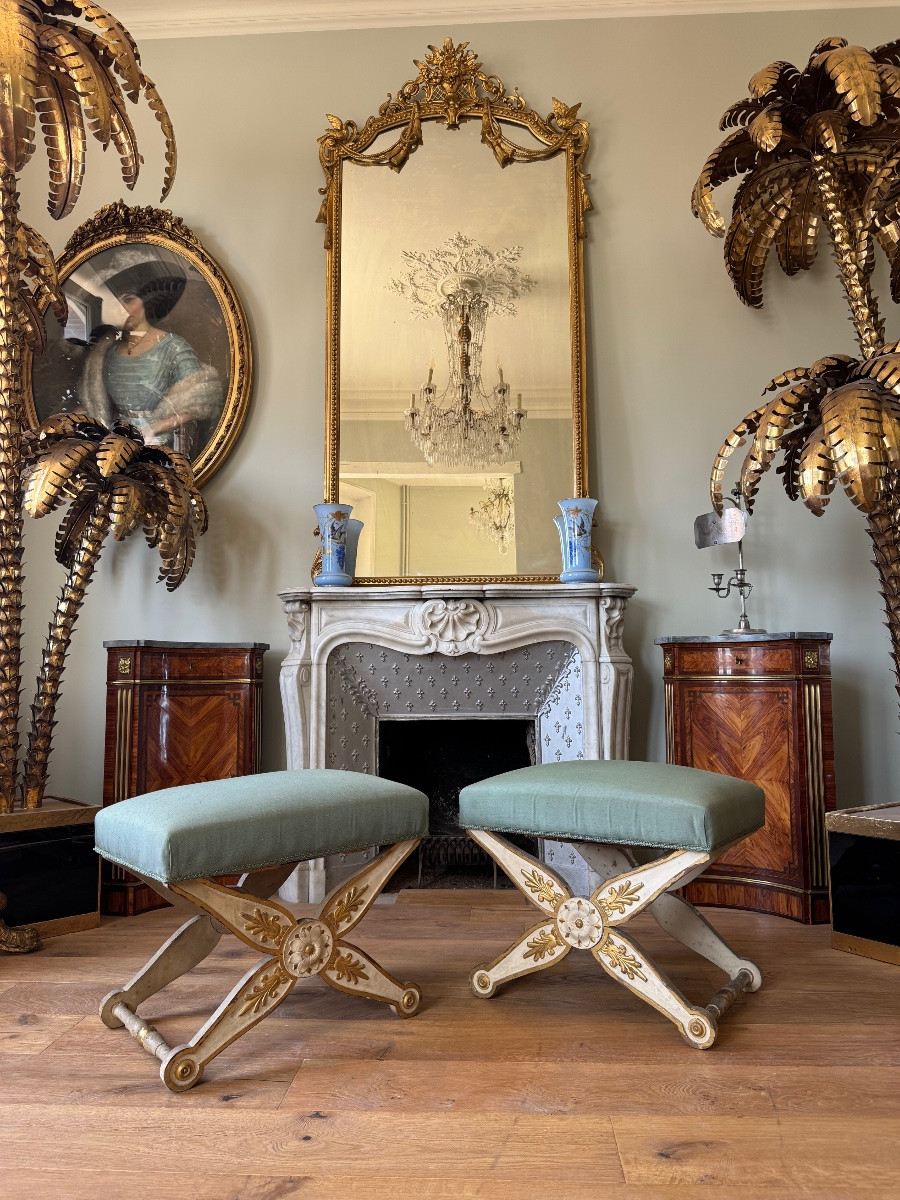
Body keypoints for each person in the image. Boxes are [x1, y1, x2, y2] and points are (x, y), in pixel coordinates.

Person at [77, 262, 223, 456]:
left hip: (160, 445)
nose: (123, 309)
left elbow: (199, 401)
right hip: (112, 443)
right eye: (115, 303)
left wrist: (155, 428)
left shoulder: (173, 347)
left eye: (129, 300)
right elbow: (95, 403)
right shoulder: (105, 353)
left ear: (146, 302)